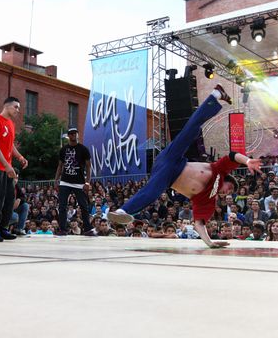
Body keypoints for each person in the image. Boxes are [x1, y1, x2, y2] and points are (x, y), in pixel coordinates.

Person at [109, 85, 262, 248]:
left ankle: (123, 211)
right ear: (226, 180)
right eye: (230, 189)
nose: (227, 193)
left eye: (230, 193)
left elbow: (199, 224)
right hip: (173, 159)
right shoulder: (219, 170)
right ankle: (215, 95)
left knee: (153, 192)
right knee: (191, 130)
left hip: (166, 177)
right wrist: (247, 161)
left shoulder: (207, 198)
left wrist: (209, 243)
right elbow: (233, 156)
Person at [0, 97, 28, 242]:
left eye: (18, 108)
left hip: (7, 169)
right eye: (15, 107)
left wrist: (20, 157)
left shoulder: (11, 124)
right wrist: (8, 166)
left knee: (9, 199)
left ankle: (3, 228)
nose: (17, 110)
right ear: (6, 106)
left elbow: (10, 145)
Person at [54, 127, 93, 235]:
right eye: (71, 134)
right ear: (68, 136)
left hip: (79, 182)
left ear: (77, 135)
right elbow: (60, 165)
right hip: (65, 181)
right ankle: (63, 229)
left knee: (83, 206)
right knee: (62, 206)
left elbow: (88, 166)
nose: (73, 135)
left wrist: (87, 182)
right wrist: (56, 180)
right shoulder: (63, 150)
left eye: (75, 133)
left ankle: (88, 228)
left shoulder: (83, 149)